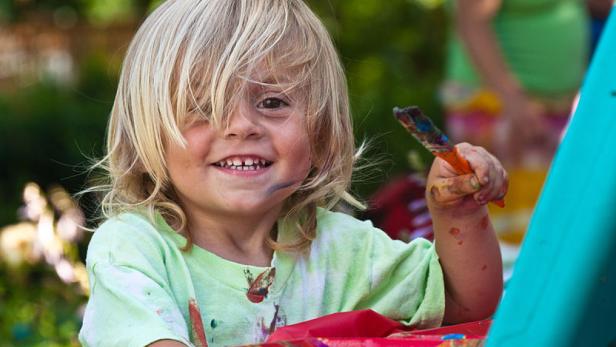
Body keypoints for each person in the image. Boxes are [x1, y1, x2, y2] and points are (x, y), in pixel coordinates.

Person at [78, 1, 507, 346]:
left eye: (272, 103)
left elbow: (466, 304)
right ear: (147, 132)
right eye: (204, 107)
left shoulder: (342, 250)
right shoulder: (134, 249)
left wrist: (459, 218)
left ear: (320, 133)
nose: (241, 125)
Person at [440, 0, 589, 245]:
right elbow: (471, 20)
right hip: (498, 108)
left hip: (553, 107)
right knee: (512, 241)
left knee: (550, 228)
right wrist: (514, 102)